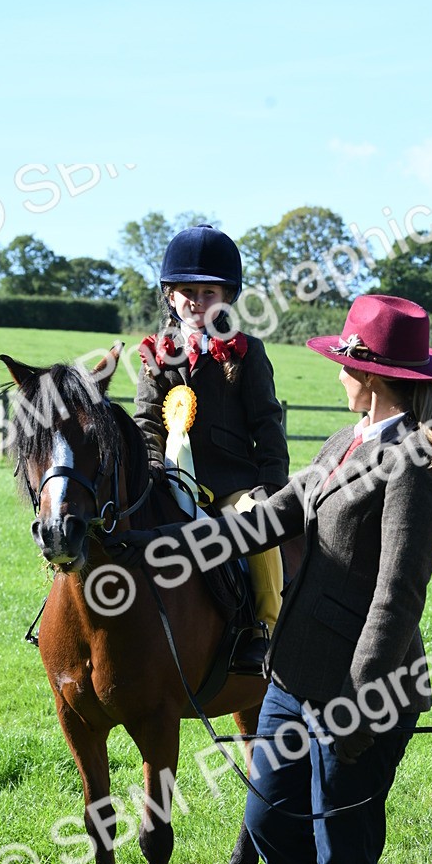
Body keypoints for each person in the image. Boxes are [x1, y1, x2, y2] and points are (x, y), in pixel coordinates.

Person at [119, 294, 432, 864]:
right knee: (270, 817)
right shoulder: (346, 441)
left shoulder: (416, 463)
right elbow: (278, 511)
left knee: (345, 842)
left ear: (368, 375)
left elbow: (397, 596)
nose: (338, 375)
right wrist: (178, 545)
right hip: (293, 675)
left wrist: (360, 702)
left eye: (344, 364)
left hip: (363, 692)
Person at [134, 224, 289, 671]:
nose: (196, 301)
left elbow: (267, 421)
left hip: (230, 483)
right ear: (169, 294)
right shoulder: (153, 355)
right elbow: (146, 420)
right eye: (186, 291)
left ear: (226, 296)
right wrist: (150, 469)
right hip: (169, 480)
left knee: (255, 526)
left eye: (207, 291)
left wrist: (271, 484)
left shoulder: (247, 352)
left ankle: (264, 629)